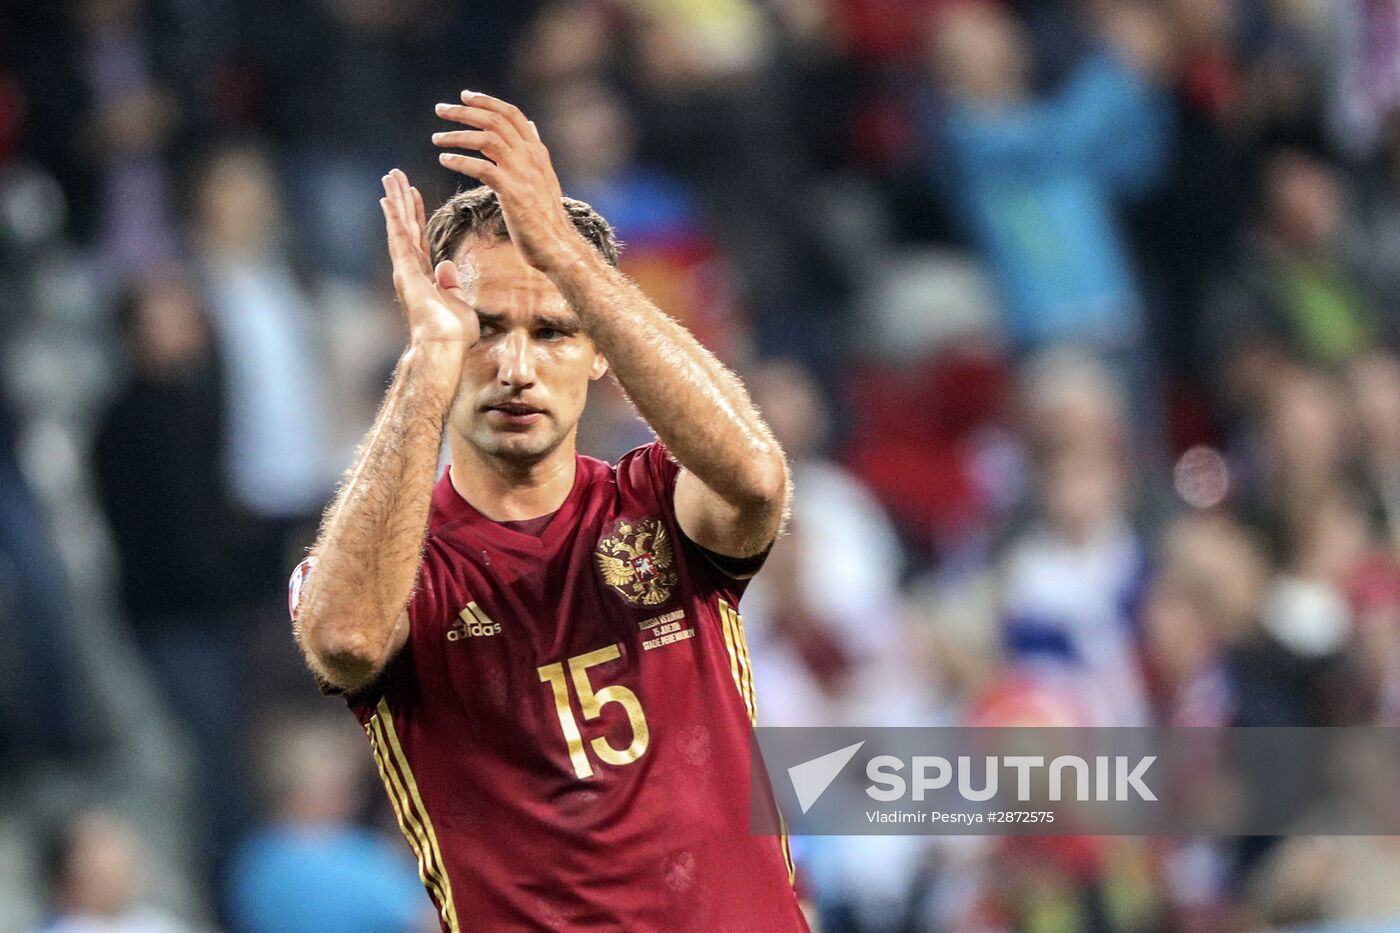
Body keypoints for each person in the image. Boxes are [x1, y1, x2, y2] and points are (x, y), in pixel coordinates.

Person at [289, 91, 804, 931]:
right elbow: (343, 639)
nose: (516, 367)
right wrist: (427, 356)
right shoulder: (393, 566)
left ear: (599, 349)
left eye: (556, 329)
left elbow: (755, 479)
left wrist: (566, 254)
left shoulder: (656, 505)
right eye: (482, 328)